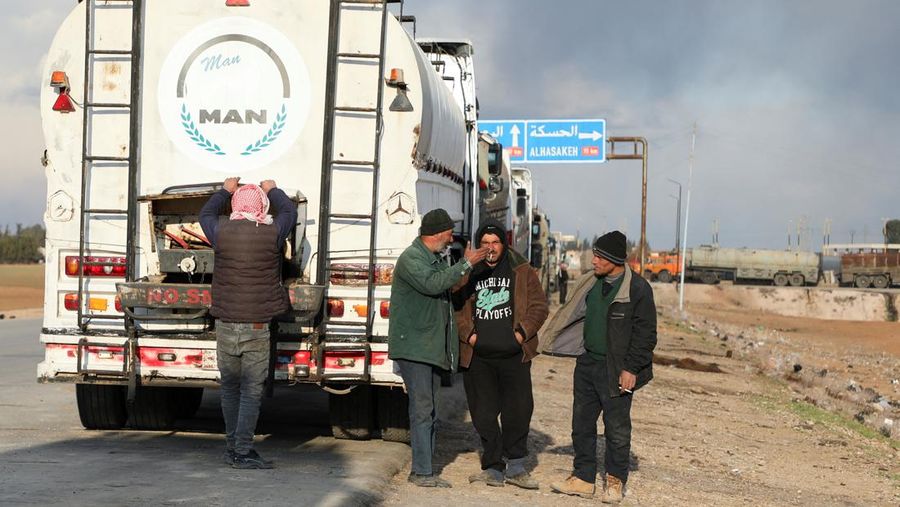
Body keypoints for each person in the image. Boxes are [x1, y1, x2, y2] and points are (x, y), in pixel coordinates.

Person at [546, 231, 657, 503]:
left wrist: (631, 368)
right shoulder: (590, 282)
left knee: (617, 429)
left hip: (617, 370)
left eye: (599, 256)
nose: (593, 260)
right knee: (581, 425)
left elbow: (646, 335)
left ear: (614, 259)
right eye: (594, 254)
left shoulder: (638, 289)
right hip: (587, 363)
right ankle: (583, 478)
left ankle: (615, 481)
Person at [199, 177, 297, 470]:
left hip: (226, 324)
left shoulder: (220, 231)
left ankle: (233, 447)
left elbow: (204, 214)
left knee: (229, 389)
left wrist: (225, 190)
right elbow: (289, 213)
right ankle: (242, 450)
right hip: (256, 326)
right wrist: (272, 189)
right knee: (251, 391)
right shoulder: (272, 233)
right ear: (262, 206)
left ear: (234, 205)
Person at [388, 208, 489, 488]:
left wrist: (464, 268)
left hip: (427, 347)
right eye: (448, 233)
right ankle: (422, 472)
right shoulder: (412, 259)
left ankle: (424, 468)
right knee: (422, 408)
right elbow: (434, 284)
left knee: (429, 409)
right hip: (415, 347)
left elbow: (448, 284)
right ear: (437, 233)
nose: (451, 237)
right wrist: (465, 264)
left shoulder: (432, 257)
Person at [453, 219, 549, 489]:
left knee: (518, 411)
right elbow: (455, 305)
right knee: (483, 413)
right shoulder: (468, 271)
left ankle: (516, 467)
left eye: (495, 243)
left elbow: (539, 306)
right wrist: (469, 336)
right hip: (478, 356)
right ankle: (493, 466)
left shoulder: (521, 269)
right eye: (484, 243)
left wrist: (520, 334)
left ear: (503, 244)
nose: (490, 248)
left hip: (513, 356)